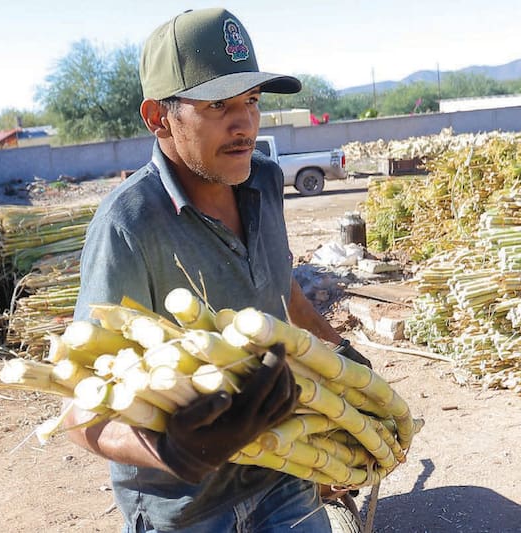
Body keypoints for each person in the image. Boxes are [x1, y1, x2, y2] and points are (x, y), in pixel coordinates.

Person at [65, 8, 369, 532]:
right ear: (159, 118)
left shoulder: (265, 182)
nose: (244, 123)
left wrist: (340, 352)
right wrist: (173, 451)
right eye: (217, 105)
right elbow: (80, 410)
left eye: (251, 101)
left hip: (284, 470)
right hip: (187, 508)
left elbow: (279, 288)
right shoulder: (129, 226)